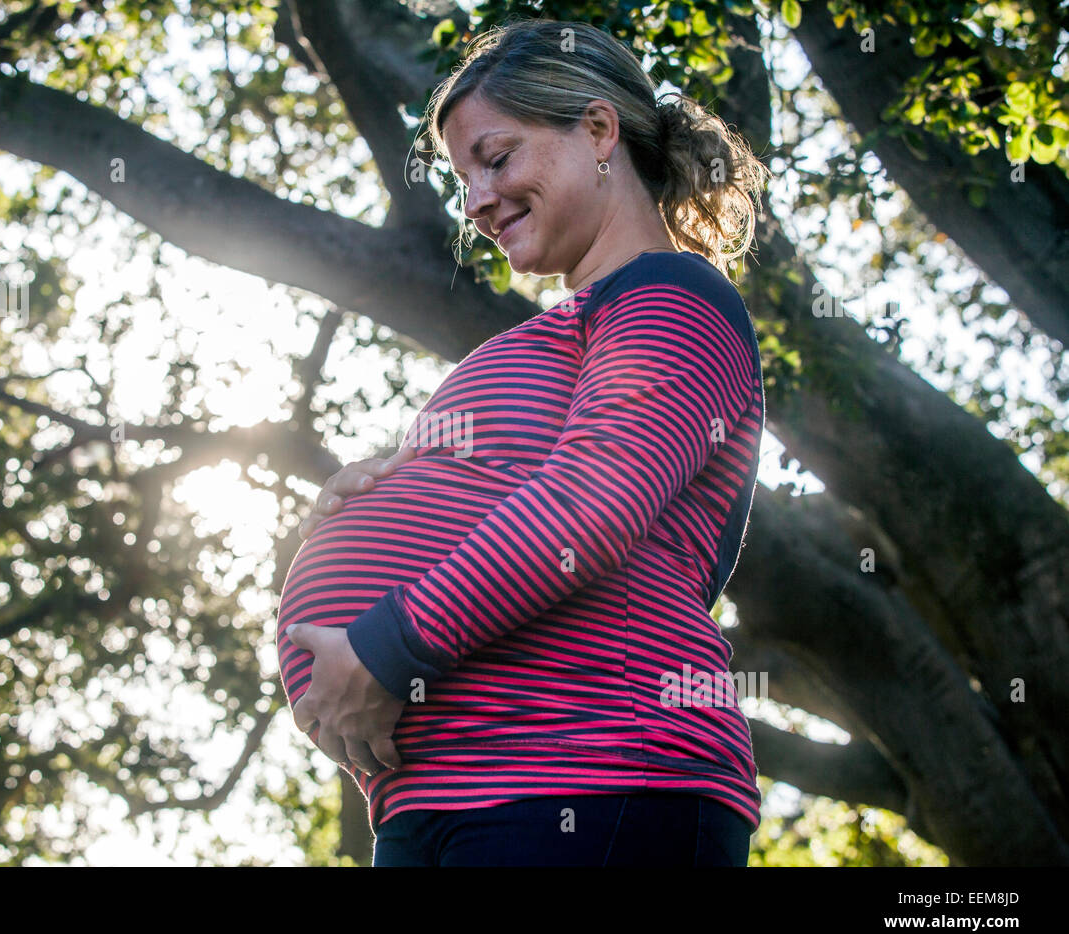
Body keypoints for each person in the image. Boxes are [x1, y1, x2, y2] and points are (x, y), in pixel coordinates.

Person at [283, 17, 770, 866]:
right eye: (460, 178)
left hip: (591, 773)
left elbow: (592, 507)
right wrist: (380, 498)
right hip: (445, 789)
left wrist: (386, 647)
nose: (473, 202)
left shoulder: (670, 294)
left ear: (598, 130)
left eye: (496, 158)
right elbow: (529, 495)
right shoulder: (567, 329)